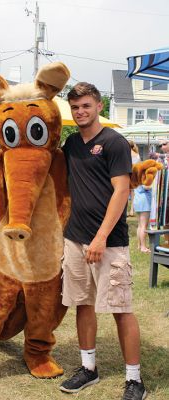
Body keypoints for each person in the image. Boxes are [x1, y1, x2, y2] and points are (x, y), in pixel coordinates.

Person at [59, 82, 147, 399]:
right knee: (83, 304)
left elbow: (122, 191)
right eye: (75, 107)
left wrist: (100, 237)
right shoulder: (71, 144)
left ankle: (134, 380)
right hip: (74, 239)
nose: (80, 111)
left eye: (85, 105)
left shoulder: (114, 142)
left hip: (108, 241)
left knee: (121, 308)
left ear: (99, 106)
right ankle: (88, 368)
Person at [133, 184, 152, 253]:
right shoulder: (145, 175)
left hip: (137, 200)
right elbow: (146, 187)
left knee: (140, 225)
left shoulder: (136, 175)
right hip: (144, 201)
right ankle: (143, 247)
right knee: (144, 226)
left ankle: (139, 245)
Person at [128, 141, 141, 217]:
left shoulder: (126, 153)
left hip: (127, 174)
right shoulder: (137, 155)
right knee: (133, 194)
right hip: (134, 175)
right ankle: (132, 210)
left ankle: (125, 209)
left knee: (125, 193)